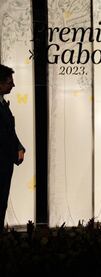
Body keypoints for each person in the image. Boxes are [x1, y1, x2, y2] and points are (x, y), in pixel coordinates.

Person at [0, 64, 25, 231]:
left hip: (5, 163)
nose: (13, 85)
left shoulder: (3, 104)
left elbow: (10, 131)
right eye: (10, 82)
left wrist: (19, 147)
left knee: (2, 201)